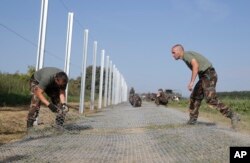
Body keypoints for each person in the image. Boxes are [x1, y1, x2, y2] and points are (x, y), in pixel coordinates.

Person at [171, 44, 240, 128]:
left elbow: (195, 65)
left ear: (179, 51)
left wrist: (192, 82)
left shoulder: (186, 55)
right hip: (204, 76)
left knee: (210, 99)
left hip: (208, 75)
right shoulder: (186, 56)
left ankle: (232, 115)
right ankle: (192, 120)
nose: (172, 55)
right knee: (194, 97)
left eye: (173, 52)